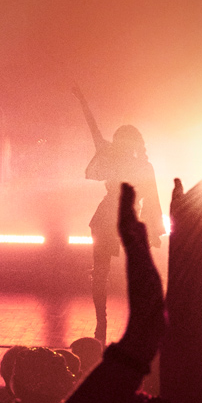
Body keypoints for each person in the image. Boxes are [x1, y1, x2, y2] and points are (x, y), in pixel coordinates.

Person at [72, 85, 163, 343]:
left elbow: (94, 130)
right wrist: (152, 229)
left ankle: (103, 323)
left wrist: (83, 102)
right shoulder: (141, 166)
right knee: (118, 274)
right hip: (122, 219)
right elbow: (151, 199)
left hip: (111, 218)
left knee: (103, 274)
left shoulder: (125, 161)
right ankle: (115, 322)